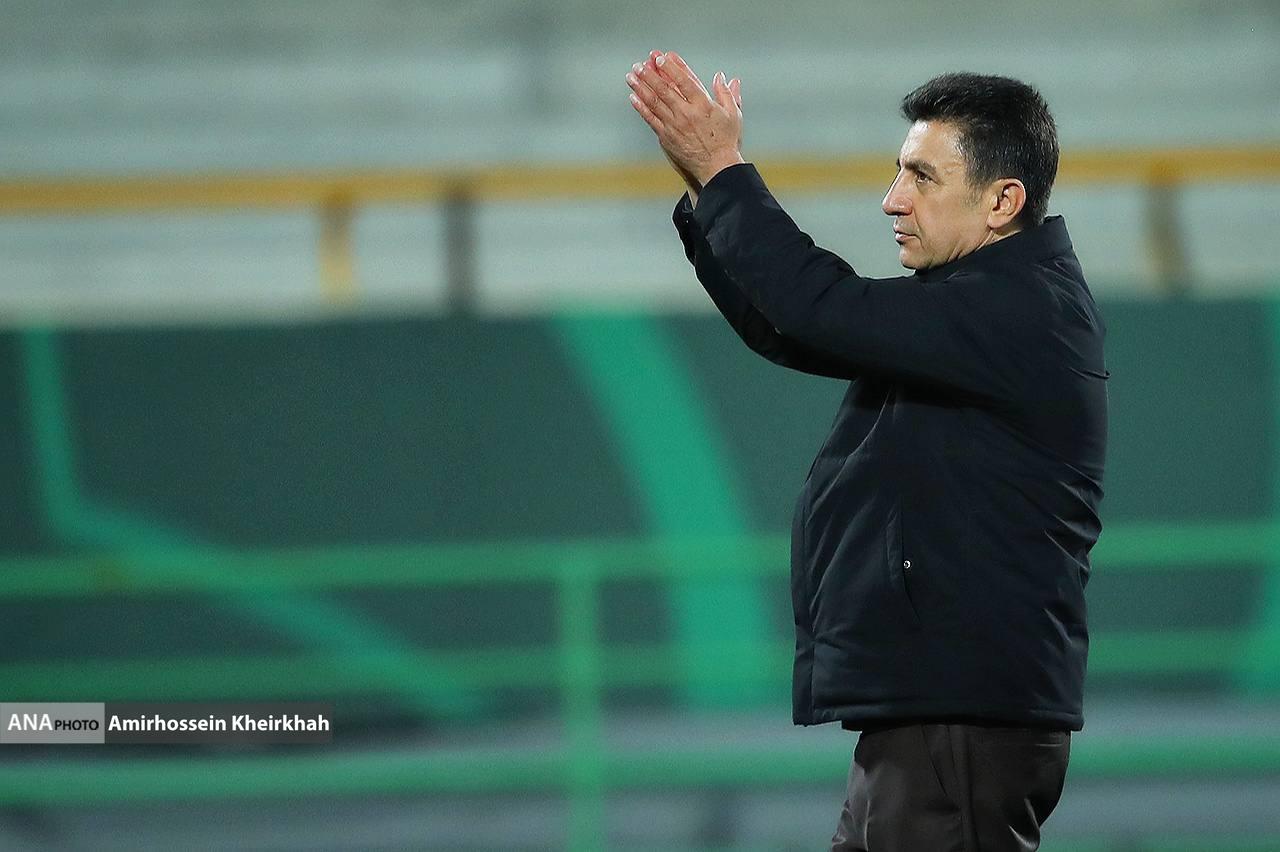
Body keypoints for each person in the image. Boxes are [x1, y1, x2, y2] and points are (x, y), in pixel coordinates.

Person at [626, 51, 1108, 852]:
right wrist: (705, 186)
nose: (893, 198)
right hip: (937, 713)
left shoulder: (1021, 307)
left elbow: (819, 307)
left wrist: (724, 171)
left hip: (960, 715)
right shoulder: (981, 305)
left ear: (1003, 201)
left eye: (921, 177)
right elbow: (790, 326)